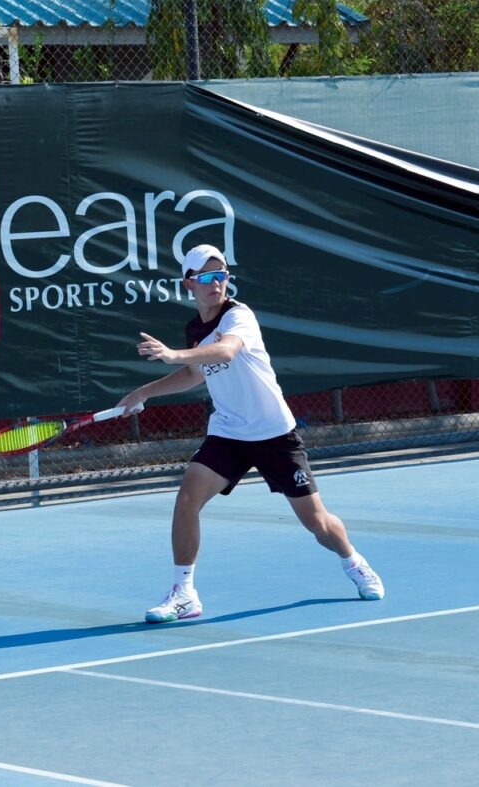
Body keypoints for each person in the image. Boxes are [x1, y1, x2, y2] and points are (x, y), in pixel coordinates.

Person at [118, 243, 384, 623]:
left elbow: (226, 352)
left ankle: (353, 561)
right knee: (187, 498)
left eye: (221, 275)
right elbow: (194, 373)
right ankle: (184, 594)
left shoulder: (239, 316)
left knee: (317, 522)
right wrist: (144, 392)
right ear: (188, 283)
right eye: (207, 277)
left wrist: (174, 354)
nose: (216, 283)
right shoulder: (196, 329)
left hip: (274, 435)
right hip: (229, 432)